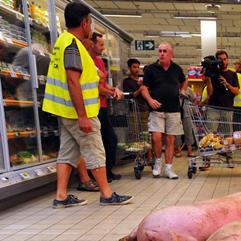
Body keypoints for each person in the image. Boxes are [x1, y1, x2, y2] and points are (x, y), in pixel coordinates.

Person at [42, 2, 132, 208]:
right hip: (78, 112)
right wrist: (83, 116)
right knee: (95, 150)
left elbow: (84, 81)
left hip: (66, 111)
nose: (90, 28)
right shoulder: (73, 45)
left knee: (67, 153)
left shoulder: (63, 42)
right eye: (90, 23)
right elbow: (73, 81)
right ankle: (107, 194)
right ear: (84, 23)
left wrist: (108, 90)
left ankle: (61, 196)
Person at [141, 43, 187, 179]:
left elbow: (184, 81)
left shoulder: (176, 69)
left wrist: (183, 90)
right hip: (157, 109)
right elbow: (144, 88)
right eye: (160, 51)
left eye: (165, 51)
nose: (161, 53)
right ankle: (157, 162)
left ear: (171, 54)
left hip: (173, 109)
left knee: (170, 139)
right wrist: (150, 100)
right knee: (156, 138)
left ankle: (169, 168)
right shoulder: (150, 69)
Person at [89, 32, 123, 182]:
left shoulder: (99, 61)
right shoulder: (88, 61)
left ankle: (107, 171)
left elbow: (103, 85)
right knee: (99, 143)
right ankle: (96, 175)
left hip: (103, 107)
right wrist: (110, 92)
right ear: (92, 44)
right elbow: (95, 87)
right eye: (101, 44)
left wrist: (113, 89)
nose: (103, 48)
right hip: (93, 107)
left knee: (110, 140)